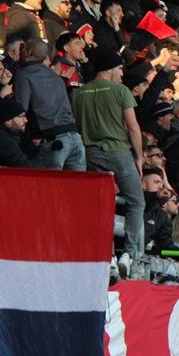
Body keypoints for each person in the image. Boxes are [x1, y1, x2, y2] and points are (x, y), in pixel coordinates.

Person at [73, 49, 144, 265]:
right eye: (120, 68)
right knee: (136, 202)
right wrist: (139, 157)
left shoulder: (78, 93)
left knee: (101, 204)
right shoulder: (121, 91)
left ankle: (108, 253)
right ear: (109, 69)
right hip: (119, 152)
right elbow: (133, 127)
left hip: (90, 154)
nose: (122, 74)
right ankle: (128, 254)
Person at [12, 39, 87, 170]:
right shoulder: (56, 77)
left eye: (23, 47)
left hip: (52, 140)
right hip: (75, 139)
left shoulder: (24, 75)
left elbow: (20, 109)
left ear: (28, 52)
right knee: (77, 183)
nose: (20, 50)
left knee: (48, 182)